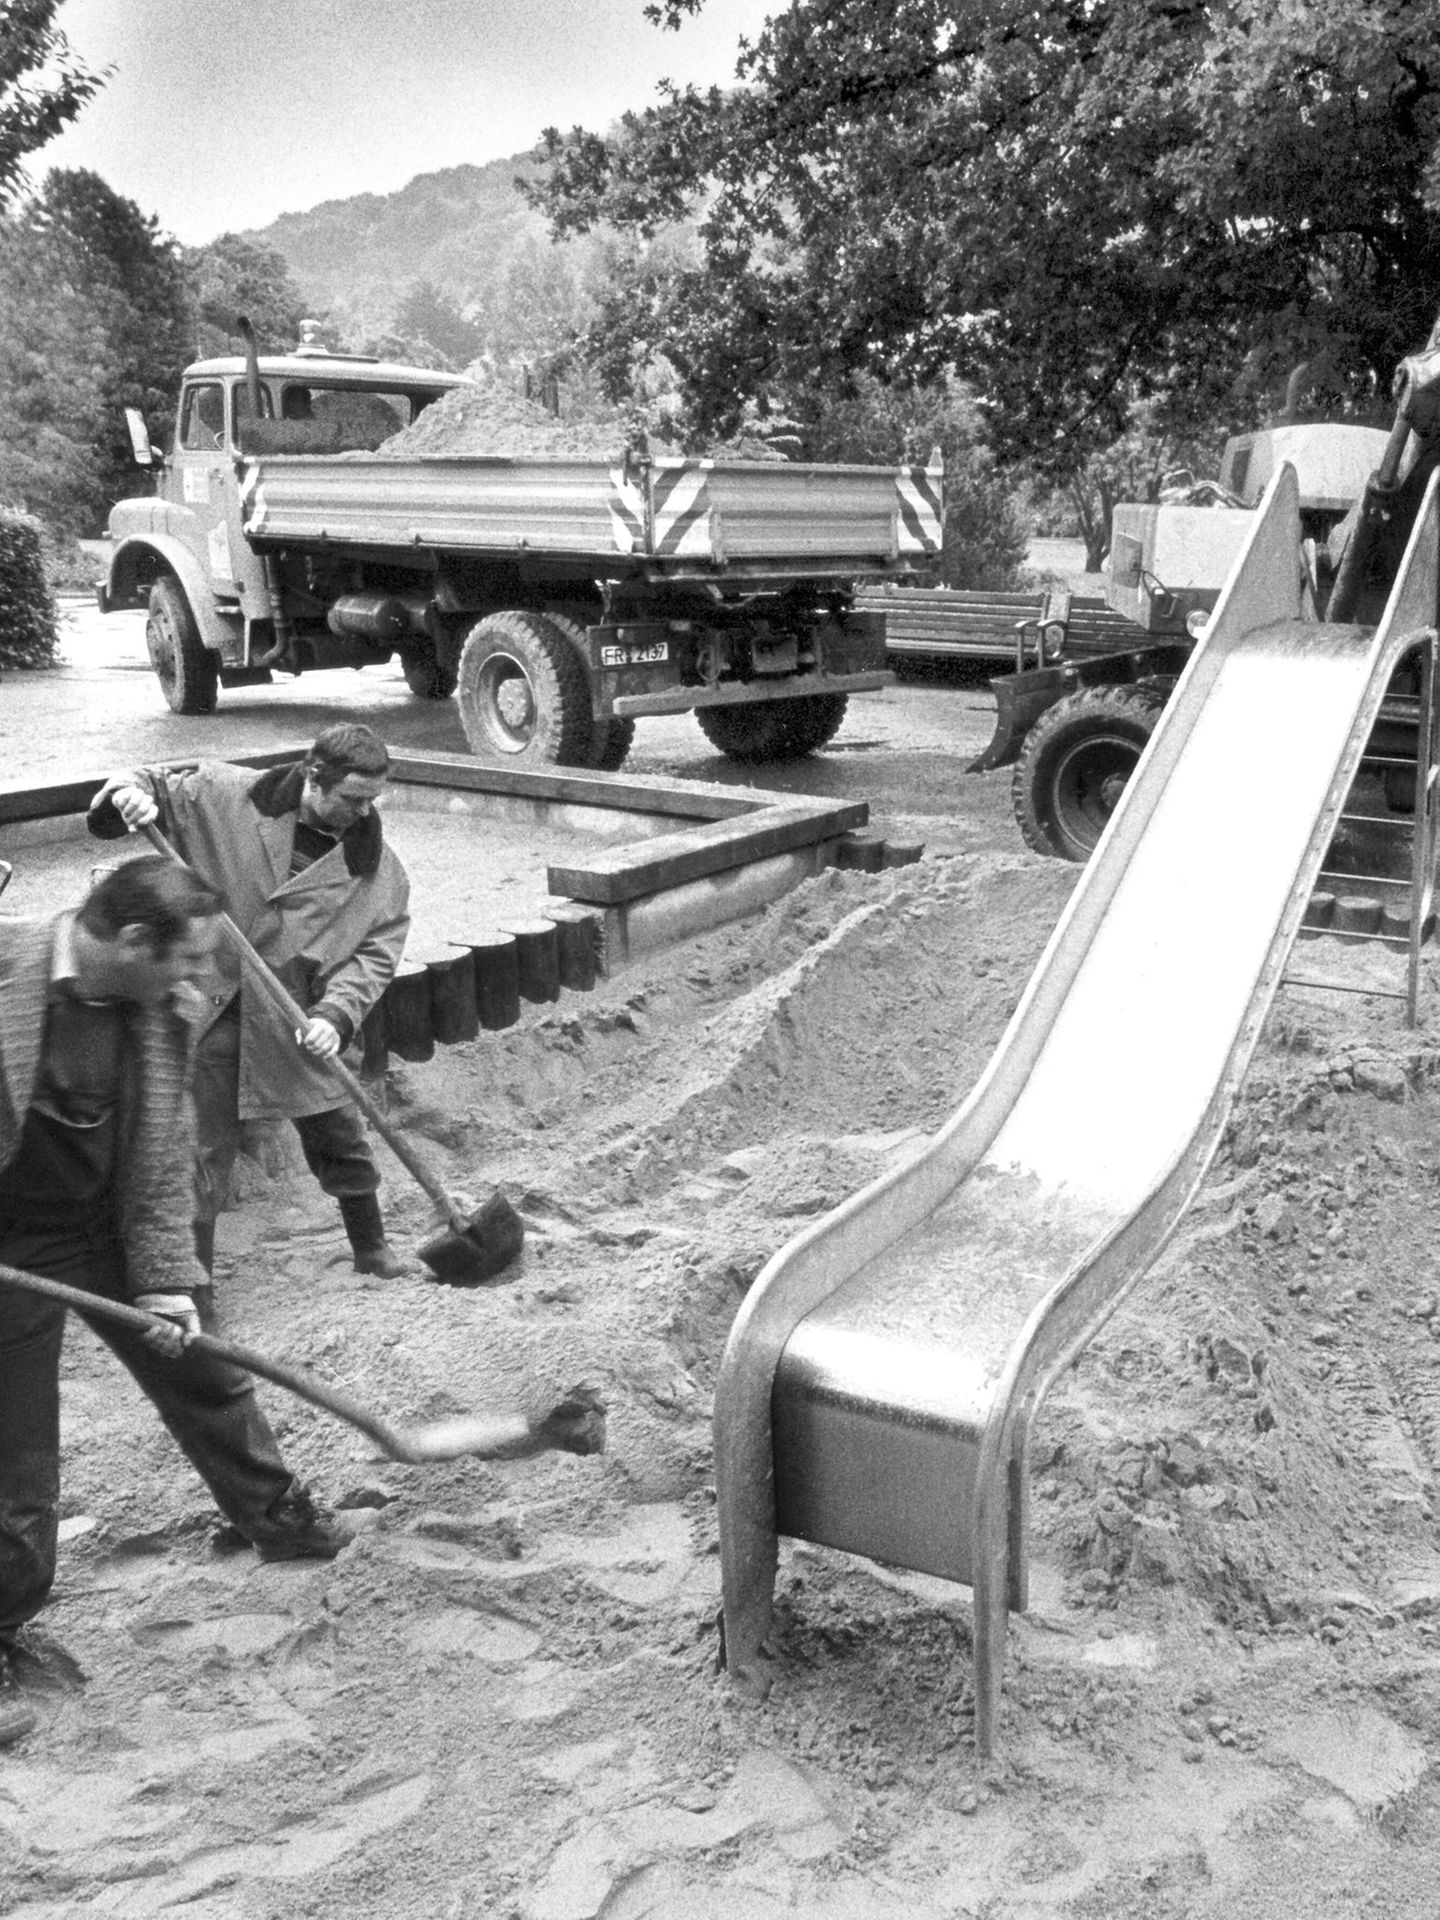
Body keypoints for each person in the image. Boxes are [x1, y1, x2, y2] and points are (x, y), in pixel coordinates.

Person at [0, 859, 352, 1749]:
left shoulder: (163, 1007)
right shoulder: (7, 973)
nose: (200, 979)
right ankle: (3, 1623)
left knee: (203, 1367)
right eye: (186, 960)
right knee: (15, 1446)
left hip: (111, 1226)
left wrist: (163, 1273)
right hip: (10, 1246)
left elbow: (162, 1148)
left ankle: (279, 1518)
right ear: (129, 942)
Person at [88, 724, 412, 1281]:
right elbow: (144, 784)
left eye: (372, 801)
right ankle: (195, 1286)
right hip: (207, 1004)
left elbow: (376, 953)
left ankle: (372, 1248)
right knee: (199, 1151)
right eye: (353, 799)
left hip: (297, 1016)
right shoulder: (222, 794)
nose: (364, 813)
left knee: (339, 1134)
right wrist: (129, 792)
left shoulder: (378, 871)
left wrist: (337, 1014)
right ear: (314, 776)